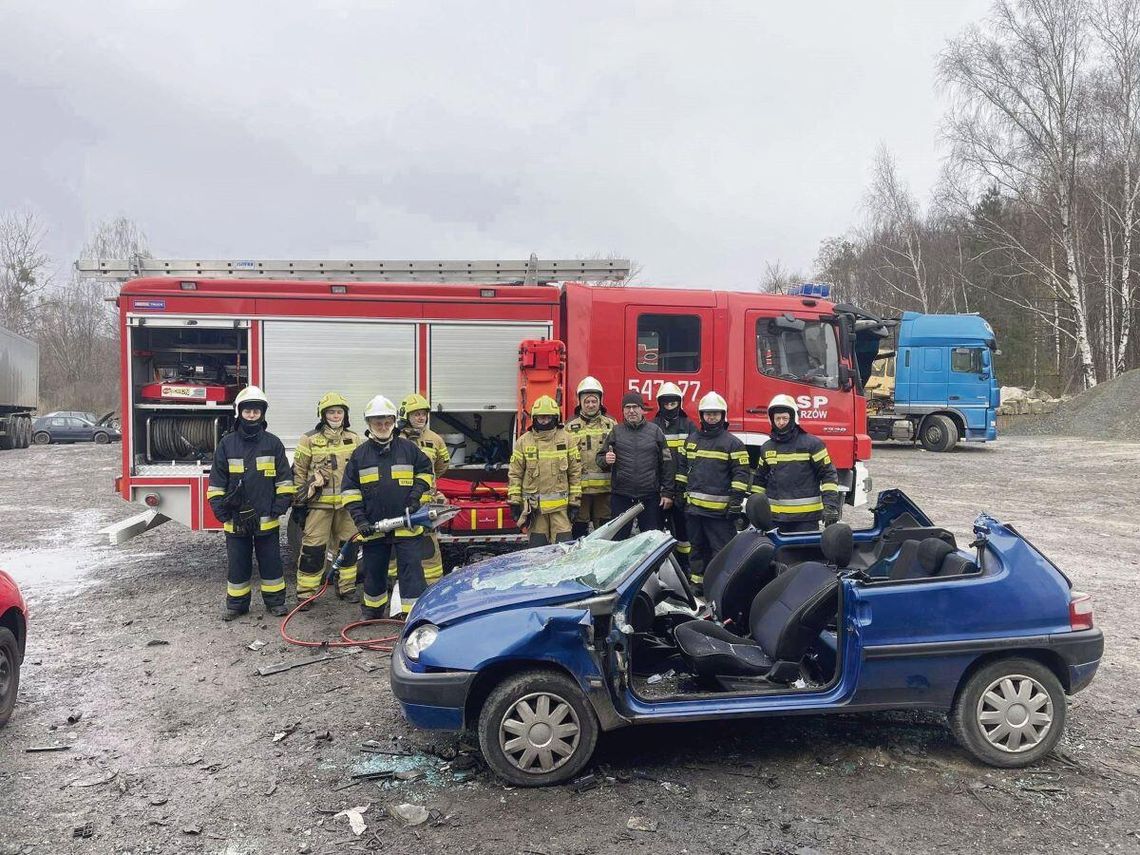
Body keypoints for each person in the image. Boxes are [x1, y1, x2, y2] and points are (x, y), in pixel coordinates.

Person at [340, 395, 434, 619]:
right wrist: (360, 520)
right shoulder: (359, 455)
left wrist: (415, 496)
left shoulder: (408, 449)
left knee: (411, 571)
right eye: (377, 423)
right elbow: (350, 490)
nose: (382, 427)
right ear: (369, 424)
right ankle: (372, 611)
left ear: (393, 422)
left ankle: (412, 615)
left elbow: (426, 472)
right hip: (374, 526)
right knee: (374, 570)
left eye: (387, 422)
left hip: (407, 523)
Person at [207, 386, 295, 620]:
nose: (252, 415)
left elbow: (285, 479)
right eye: (248, 411)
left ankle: (275, 603)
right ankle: (237, 605)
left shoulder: (273, 444)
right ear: (240, 413)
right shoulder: (227, 444)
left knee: (271, 564)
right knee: (238, 564)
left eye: (256, 411)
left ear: (262, 413)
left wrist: (280, 506)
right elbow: (216, 482)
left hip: (266, 519)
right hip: (235, 520)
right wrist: (221, 511)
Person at [675, 391, 750, 588]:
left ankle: (721, 585)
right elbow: (683, 470)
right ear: (701, 416)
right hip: (694, 510)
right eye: (708, 414)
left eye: (716, 414)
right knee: (696, 547)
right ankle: (698, 583)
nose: (711, 417)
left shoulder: (733, 443)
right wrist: (679, 494)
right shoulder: (691, 440)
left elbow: (741, 477)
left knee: (721, 550)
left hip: (720, 513)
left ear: (723, 416)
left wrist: (735, 503)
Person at [292, 392, 362, 603]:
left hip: (346, 506)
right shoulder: (309, 439)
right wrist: (299, 502)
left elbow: (360, 472)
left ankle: (347, 588)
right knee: (313, 550)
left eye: (339, 412)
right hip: (318, 506)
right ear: (323, 414)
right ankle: (306, 594)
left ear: (345, 414)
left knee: (349, 548)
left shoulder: (354, 438)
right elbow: (299, 472)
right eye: (331, 412)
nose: (335, 415)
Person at [753, 394, 841, 534]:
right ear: (772, 420)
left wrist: (830, 506)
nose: (781, 422)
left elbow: (828, 475)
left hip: (806, 519)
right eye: (777, 418)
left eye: (785, 418)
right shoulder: (767, 448)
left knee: (803, 555)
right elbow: (759, 480)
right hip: (775, 518)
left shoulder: (813, 444)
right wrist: (755, 510)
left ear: (793, 418)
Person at [389, 392, 451, 586]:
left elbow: (441, 465)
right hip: (398, 501)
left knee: (428, 547)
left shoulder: (435, 439)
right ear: (405, 416)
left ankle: (433, 584)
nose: (421, 417)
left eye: (423, 413)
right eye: (415, 414)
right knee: (393, 542)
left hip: (425, 503)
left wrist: (428, 484)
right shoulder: (394, 438)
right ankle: (391, 581)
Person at [597, 391, 675, 539]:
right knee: (618, 542)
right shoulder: (616, 432)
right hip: (622, 497)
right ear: (623, 410)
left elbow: (667, 463)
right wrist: (606, 459)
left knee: (651, 541)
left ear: (642, 409)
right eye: (627, 407)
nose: (631, 411)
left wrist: (667, 493)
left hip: (650, 497)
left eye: (635, 407)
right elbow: (600, 459)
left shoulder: (655, 432)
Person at [508, 395, 583, 547]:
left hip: (561, 511)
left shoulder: (567, 439)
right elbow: (515, 474)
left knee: (564, 552)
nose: (544, 421)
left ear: (555, 418)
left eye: (547, 417)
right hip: (536, 511)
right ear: (534, 418)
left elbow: (575, 473)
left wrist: (574, 502)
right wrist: (515, 502)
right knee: (537, 553)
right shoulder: (523, 441)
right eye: (541, 417)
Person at [652, 382, 697, 574]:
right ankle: (658, 570)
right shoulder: (653, 426)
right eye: (666, 404)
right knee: (656, 531)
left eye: (673, 404)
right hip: (659, 488)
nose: (669, 407)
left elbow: (694, 459)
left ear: (679, 403)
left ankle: (684, 568)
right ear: (660, 404)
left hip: (682, 488)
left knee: (683, 532)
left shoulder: (689, 425)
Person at [565, 376, 617, 537]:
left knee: (605, 534)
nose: (590, 405)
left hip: (605, 490)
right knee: (579, 531)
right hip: (580, 492)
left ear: (601, 401)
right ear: (579, 402)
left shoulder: (611, 424)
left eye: (594, 401)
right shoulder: (569, 427)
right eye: (586, 401)